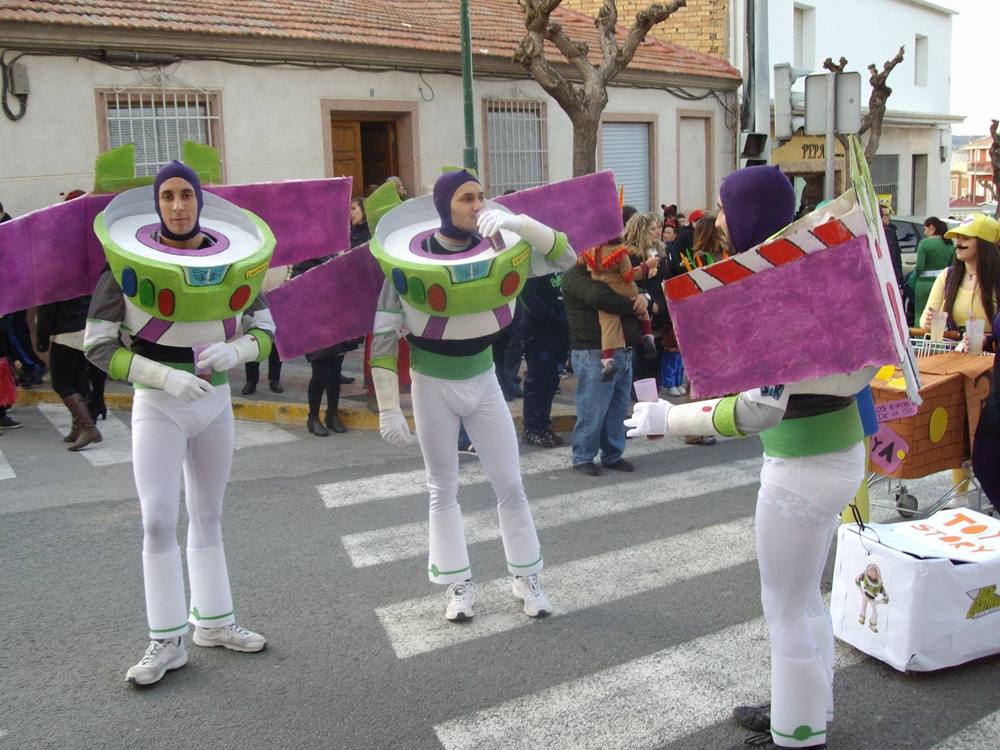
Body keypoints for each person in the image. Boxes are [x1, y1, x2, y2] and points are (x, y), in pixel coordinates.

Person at [627, 165, 872, 750]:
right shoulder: (826, 263)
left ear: (747, 216)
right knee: (805, 594)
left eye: (721, 208)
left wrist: (669, 418)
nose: (715, 220)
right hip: (839, 453)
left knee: (785, 604)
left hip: (802, 467)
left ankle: (798, 732)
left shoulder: (776, 285)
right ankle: (807, 705)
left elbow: (764, 408)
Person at [85, 161, 271, 686]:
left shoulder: (236, 261)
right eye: (167, 196)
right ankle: (165, 640)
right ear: (156, 204)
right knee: (158, 521)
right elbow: (98, 347)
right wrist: (160, 378)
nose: (177, 205)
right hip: (159, 406)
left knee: (209, 515)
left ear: (199, 200)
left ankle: (214, 623)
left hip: (214, 403)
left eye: (185, 195)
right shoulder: (124, 266)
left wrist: (236, 350)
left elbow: (266, 329)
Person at [369, 169, 576, 621]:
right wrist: (389, 407)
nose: (478, 205)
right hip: (431, 384)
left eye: (482, 196)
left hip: (484, 382)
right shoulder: (407, 262)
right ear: (445, 206)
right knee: (442, 489)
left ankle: (526, 577)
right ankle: (458, 586)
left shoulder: (502, 246)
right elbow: (382, 339)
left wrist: (520, 224)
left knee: (511, 483)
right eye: (467, 198)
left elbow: (566, 258)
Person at [562, 257, 645, 477]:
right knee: (593, 409)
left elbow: (635, 285)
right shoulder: (575, 275)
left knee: (618, 408)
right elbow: (600, 297)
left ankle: (612, 454)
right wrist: (634, 304)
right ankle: (583, 456)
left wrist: (644, 296)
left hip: (622, 349)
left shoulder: (611, 270)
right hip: (593, 351)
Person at [576, 236, 658, 380]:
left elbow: (578, 261)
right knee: (641, 309)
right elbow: (629, 275)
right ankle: (647, 336)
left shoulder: (590, 250)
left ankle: (608, 360)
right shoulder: (620, 251)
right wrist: (646, 266)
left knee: (608, 325)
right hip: (624, 289)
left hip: (604, 289)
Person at [36, 292, 102, 450]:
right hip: (88, 328)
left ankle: (88, 427)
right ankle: (78, 428)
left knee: (61, 383)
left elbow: (46, 311)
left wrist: (42, 343)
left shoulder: (53, 277)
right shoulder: (82, 271)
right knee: (77, 378)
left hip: (67, 333)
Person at [519, 269, 568, 448]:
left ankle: (542, 424)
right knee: (538, 378)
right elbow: (528, 297)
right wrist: (553, 317)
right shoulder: (534, 263)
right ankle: (531, 428)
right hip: (539, 330)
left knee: (551, 379)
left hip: (559, 331)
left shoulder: (559, 260)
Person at [621, 212, 668, 390]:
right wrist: (650, 302)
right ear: (641, 231)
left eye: (658, 228)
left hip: (660, 310)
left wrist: (661, 305)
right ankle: (642, 397)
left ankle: (652, 394)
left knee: (656, 358)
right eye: (653, 229)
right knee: (641, 361)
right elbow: (629, 282)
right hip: (641, 313)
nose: (657, 232)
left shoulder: (660, 251)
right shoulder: (630, 255)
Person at [906, 217, 955, 327]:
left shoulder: (924, 243)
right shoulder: (950, 244)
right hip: (943, 283)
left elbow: (919, 267)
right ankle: (937, 341)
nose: (924, 232)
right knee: (938, 315)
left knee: (921, 314)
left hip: (923, 284)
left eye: (925, 229)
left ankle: (920, 339)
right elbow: (951, 266)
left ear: (932, 227)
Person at [879, 204, 904, 288]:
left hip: (892, 278)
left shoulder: (891, 232)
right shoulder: (871, 234)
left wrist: (900, 284)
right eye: (886, 215)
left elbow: (897, 258)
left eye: (889, 215)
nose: (889, 218)